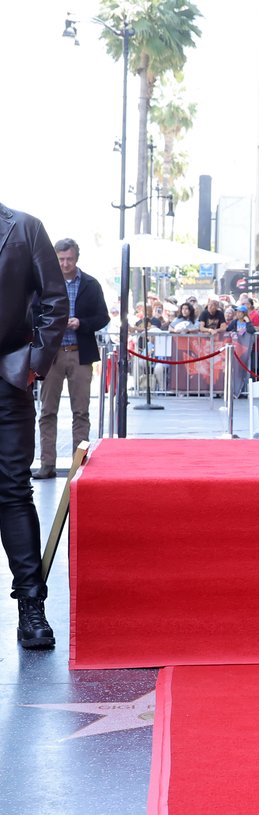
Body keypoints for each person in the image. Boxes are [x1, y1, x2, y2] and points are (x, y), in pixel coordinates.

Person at [0, 202, 68, 647]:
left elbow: (55, 299)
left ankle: (31, 606)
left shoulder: (24, 228)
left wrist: (34, 363)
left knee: (12, 487)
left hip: (8, 376)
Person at [32, 238, 110, 480]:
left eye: (70, 259)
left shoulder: (90, 284)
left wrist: (81, 323)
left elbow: (103, 317)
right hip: (52, 355)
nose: (65, 263)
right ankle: (47, 464)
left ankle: (80, 464)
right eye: (61, 259)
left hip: (80, 353)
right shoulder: (44, 283)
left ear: (77, 258)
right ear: (55, 258)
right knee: (47, 411)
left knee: (81, 412)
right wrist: (53, 325)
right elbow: (33, 313)